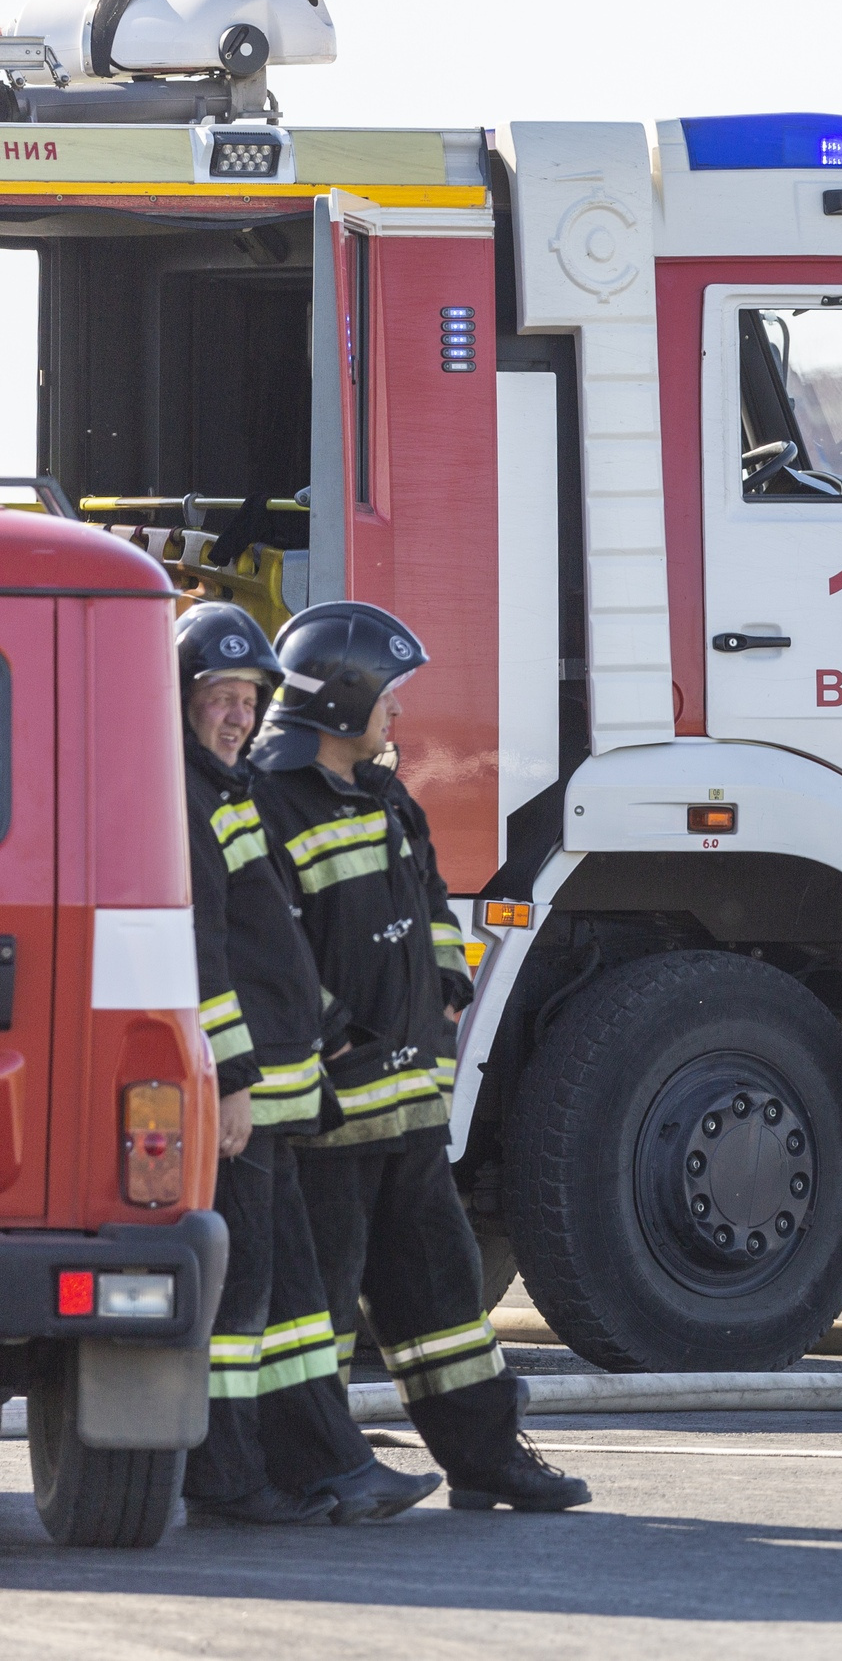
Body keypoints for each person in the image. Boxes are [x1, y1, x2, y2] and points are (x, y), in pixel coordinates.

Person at [252, 601, 589, 1513]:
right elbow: (261, 952)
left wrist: (444, 972)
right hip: (328, 1121)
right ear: (344, 700)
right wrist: (339, 1035)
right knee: (311, 1319)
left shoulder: (384, 790)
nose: (400, 714)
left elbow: (430, 894)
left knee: (444, 1304)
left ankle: (489, 1460)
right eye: (389, 697)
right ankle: (314, 1466)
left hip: (406, 1108)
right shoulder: (268, 803)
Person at [175, 601, 442, 1525]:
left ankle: (309, 1464)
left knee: (282, 1303)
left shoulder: (223, 787)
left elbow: (269, 940)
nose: (238, 714)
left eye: (249, 698)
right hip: (252, 1098)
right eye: (220, 696)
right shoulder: (189, 800)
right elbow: (210, 960)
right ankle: (227, 1477)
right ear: (184, 699)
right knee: (245, 1304)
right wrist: (236, 1083)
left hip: (287, 1090)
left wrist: (326, 1024)